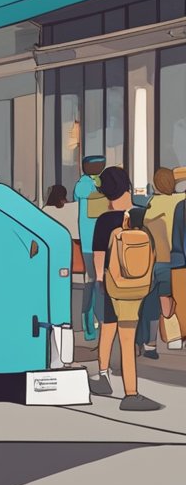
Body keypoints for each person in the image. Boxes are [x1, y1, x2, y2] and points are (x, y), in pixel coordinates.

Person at [87, 167, 162, 411]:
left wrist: (100, 280)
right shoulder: (142, 215)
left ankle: (103, 376)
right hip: (135, 284)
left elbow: (99, 257)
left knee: (108, 327)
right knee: (127, 337)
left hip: (111, 282)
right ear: (127, 187)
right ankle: (130, 394)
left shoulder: (104, 221)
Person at [138, 168, 184, 359]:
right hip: (175, 259)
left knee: (149, 303)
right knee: (173, 299)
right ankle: (174, 336)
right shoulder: (178, 202)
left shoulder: (150, 204)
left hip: (152, 258)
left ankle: (150, 344)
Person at [74, 156, 106, 341]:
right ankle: (91, 323)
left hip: (94, 242)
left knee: (95, 282)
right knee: (95, 282)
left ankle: (94, 323)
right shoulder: (85, 185)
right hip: (93, 242)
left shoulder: (88, 184)